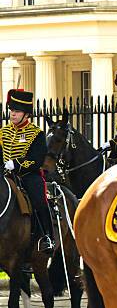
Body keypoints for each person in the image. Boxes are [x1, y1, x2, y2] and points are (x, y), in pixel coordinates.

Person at [0, 89, 53, 253]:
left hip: (28, 175)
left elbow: (36, 159)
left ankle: (47, 236)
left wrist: (16, 164)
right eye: (11, 111)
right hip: (5, 175)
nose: (12, 114)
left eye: (17, 111)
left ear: (26, 114)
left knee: (39, 200)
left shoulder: (36, 134)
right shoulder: (3, 133)